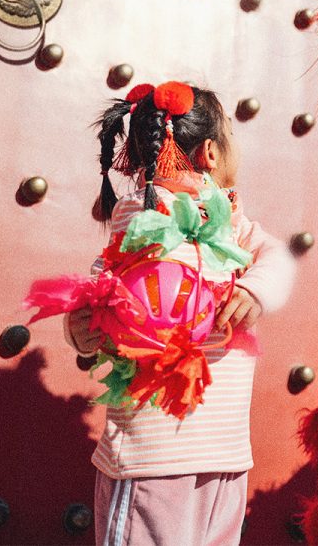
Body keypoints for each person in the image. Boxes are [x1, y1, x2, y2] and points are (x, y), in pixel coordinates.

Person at [67, 81, 295, 546]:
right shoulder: (139, 215)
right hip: (156, 456)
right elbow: (99, 289)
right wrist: (82, 326)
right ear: (211, 152)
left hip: (221, 456)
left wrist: (252, 290)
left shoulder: (230, 221)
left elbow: (274, 257)